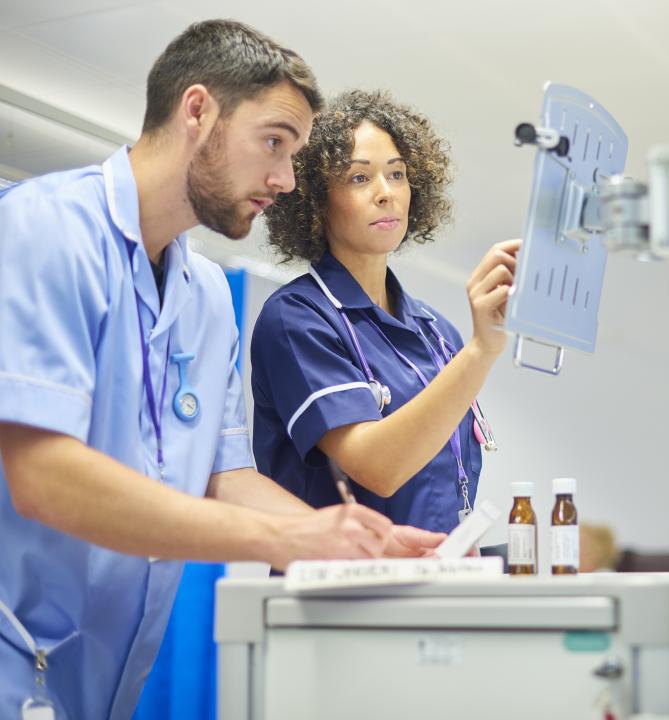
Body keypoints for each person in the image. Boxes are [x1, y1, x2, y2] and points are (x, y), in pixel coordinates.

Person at [0, 21, 442, 720]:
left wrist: (355, 546)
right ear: (198, 111)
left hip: (106, 680)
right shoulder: (43, 229)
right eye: (274, 142)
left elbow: (225, 476)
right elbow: (43, 475)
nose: (285, 179)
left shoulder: (205, 296)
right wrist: (285, 540)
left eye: (293, 154)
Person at [252, 89, 518, 533]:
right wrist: (480, 352)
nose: (385, 193)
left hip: (435, 578)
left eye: (397, 174)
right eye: (359, 178)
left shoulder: (438, 333)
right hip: (342, 589)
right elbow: (379, 469)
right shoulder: (297, 318)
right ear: (316, 199)